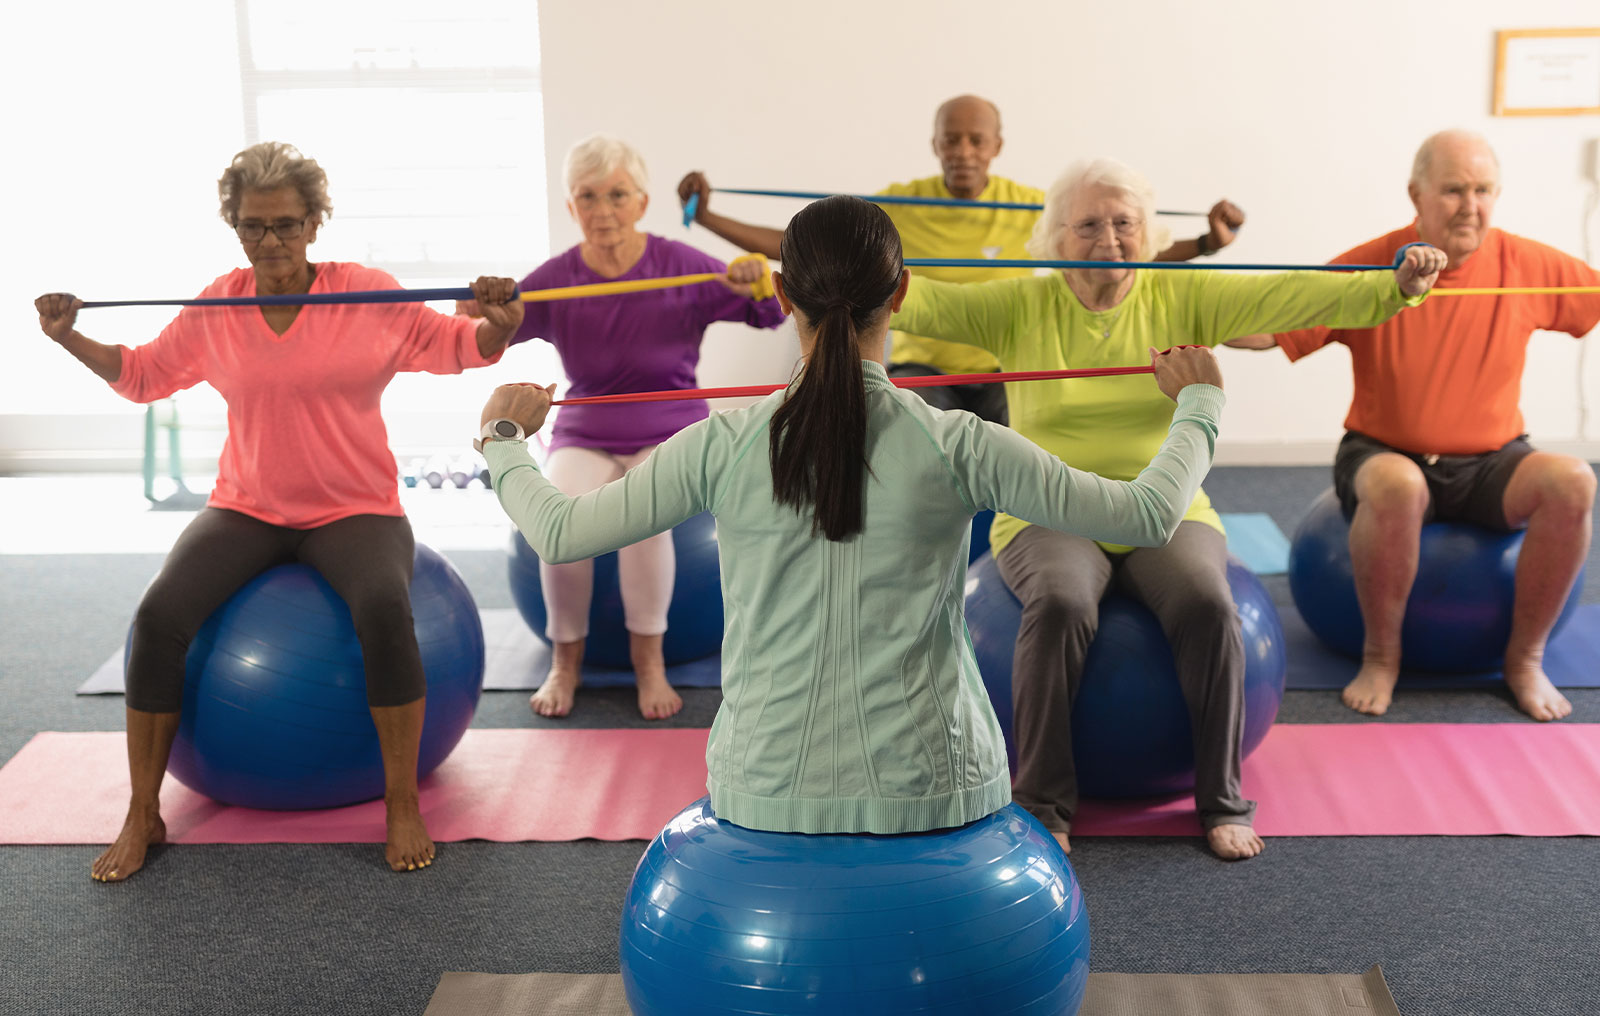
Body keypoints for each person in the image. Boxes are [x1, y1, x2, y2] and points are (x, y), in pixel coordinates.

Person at [476, 195, 1226, 837]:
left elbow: (559, 531)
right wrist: (1200, 402)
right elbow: (1152, 512)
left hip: (764, 784)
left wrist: (505, 439)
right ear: (900, 294)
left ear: (779, 294)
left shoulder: (721, 444)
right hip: (936, 785)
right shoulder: (959, 442)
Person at [892, 158, 1448, 860]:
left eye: (1125, 223)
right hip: (1049, 507)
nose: (1110, 238)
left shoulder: (1180, 295)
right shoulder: (1019, 305)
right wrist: (840, 269)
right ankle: (1042, 802)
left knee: (1209, 604)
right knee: (1061, 603)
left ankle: (1221, 800)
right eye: (1089, 224)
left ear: (1149, 233)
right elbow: (924, 301)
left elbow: (1291, 296)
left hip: (1166, 501)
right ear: (1057, 238)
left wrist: (1393, 287)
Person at [33, 142, 525, 882]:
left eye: (286, 226)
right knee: (160, 617)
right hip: (248, 507)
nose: (271, 243)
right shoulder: (219, 306)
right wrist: (70, 335)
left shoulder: (366, 294)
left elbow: (459, 346)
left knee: (386, 609)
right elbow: (139, 375)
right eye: (254, 227)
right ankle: (143, 810)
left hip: (355, 508)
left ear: (314, 225)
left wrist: (500, 323)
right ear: (235, 227)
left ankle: (400, 800)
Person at [1227, 130, 1600, 721]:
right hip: (1383, 453)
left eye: (1482, 190)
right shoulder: (1374, 262)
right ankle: (1381, 656)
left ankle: (1525, 659)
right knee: (1400, 486)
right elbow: (1273, 328)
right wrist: (1188, 311)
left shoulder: (1526, 262)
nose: (1469, 205)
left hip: (1492, 461)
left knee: (1575, 480)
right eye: (1453, 190)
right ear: (1417, 194)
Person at [676, 94, 1247, 423]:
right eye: (952, 139)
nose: (964, 152)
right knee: (909, 426)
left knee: (1035, 427)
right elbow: (800, 243)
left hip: (1007, 365)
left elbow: (1120, 251)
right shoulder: (904, 200)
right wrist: (705, 216)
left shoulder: (1031, 206)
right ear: (936, 144)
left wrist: (1207, 245)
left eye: (977, 140)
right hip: (926, 372)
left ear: (997, 146)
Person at [465, 135, 783, 721]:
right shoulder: (559, 278)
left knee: (645, 522)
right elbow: (490, 331)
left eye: (617, 195)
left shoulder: (681, 266)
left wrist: (753, 278)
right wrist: (478, 305)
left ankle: (649, 664)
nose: (603, 209)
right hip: (585, 428)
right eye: (588, 196)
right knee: (556, 515)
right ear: (571, 208)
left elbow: (769, 312)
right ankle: (566, 661)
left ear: (641, 202)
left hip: (671, 426)